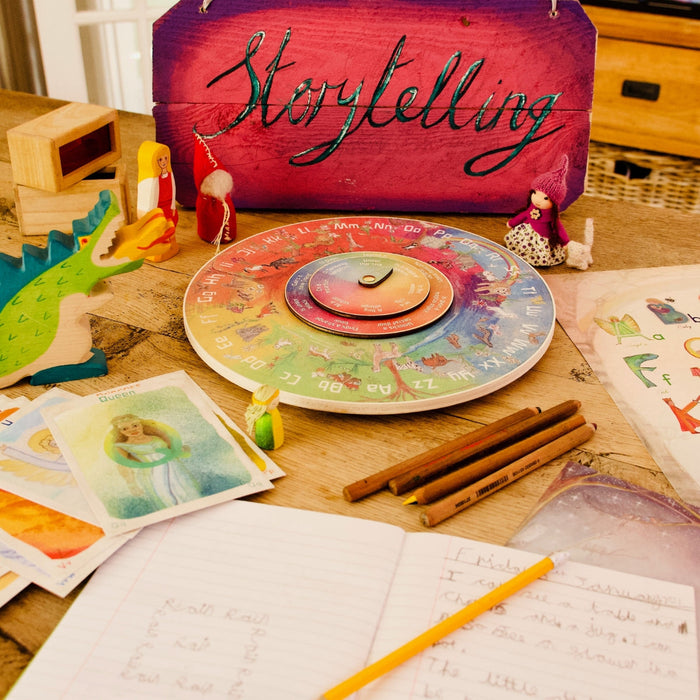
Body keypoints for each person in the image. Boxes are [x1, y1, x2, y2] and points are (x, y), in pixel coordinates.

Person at [109, 413, 198, 508]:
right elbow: (122, 465)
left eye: (135, 425)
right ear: (120, 431)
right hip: (153, 474)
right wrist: (131, 484)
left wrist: (181, 450)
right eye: (125, 429)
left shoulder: (156, 438)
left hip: (175, 469)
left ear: (141, 425)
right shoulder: (122, 446)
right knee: (167, 499)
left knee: (188, 493)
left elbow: (171, 451)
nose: (132, 430)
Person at [504, 155, 570, 267]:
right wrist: (512, 223)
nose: (537, 200)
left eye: (545, 198)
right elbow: (524, 215)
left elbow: (558, 227)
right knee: (518, 242)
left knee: (539, 252)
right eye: (535, 193)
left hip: (542, 238)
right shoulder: (532, 206)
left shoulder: (551, 215)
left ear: (554, 203)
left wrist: (565, 241)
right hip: (527, 231)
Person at [136, 141, 179, 261]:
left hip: (167, 207)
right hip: (156, 210)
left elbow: (173, 190)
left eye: (166, 158)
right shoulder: (148, 181)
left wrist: (173, 207)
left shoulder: (169, 174)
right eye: (160, 159)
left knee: (169, 227)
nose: (164, 161)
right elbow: (148, 198)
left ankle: (171, 247)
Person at [245, 386, 284, 450]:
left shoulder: (273, 411)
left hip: (278, 440)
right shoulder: (264, 419)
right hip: (269, 444)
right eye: (273, 404)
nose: (277, 404)